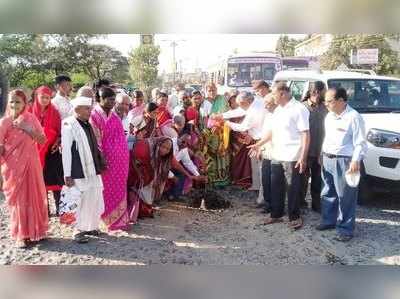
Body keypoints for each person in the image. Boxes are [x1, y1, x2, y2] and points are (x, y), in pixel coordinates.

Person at [249, 82, 310, 230]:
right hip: (277, 153)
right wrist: (259, 144)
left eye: (274, 94)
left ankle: (294, 216)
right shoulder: (278, 110)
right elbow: (272, 132)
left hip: (292, 155)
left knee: (292, 187)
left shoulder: (299, 109)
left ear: (282, 93)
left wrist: (303, 157)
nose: (272, 97)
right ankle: (276, 214)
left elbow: (305, 134)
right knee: (276, 186)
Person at [316, 87, 367, 242]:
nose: (326, 104)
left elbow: (360, 142)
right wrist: (322, 154)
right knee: (327, 192)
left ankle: (345, 229)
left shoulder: (354, 117)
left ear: (341, 100)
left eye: (329, 101)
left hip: (345, 160)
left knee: (345, 196)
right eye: (325, 101)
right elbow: (328, 138)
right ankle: (329, 221)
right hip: (328, 158)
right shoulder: (329, 116)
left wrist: (355, 161)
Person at [0, 90, 48, 248]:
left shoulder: (31, 119)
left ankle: (37, 231)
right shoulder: (4, 122)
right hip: (13, 167)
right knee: (19, 200)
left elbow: (42, 140)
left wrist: (26, 127)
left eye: (18, 102)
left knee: (33, 195)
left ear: (25, 104)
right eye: (11, 102)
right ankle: (21, 235)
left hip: (31, 163)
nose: (14, 105)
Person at [127, 137, 203, 222]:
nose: (165, 150)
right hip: (134, 170)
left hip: (149, 175)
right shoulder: (145, 148)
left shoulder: (175, 151)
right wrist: (143, 176)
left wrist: (190, 175)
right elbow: (136, 159)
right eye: (163, 147)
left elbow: (178, 164)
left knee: (150, 190)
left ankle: (142, 209)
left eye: (167, 149)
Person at [61, 97, 105, 244]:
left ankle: (91, 226)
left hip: (92, 168)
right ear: (77, 109)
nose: (89, 111)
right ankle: (77, 230)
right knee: (80, 200)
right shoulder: (69, 124)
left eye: (90, 108)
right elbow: (66, 151)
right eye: (86, 109)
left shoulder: (87, 123)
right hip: (78, 170)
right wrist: (67, 174)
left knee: (94, 196)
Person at [90, 87, 130, 231]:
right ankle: (105, 220)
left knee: (119, 188)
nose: (113, 102)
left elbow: (121, 138)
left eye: (114, 99)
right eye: (110, 99)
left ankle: (118, 220)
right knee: (104, 189)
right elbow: (96, 140)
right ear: (100, 99)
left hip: (120, 162)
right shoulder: (94, 116)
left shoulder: (114, 117)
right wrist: (101, 158)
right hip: (104, 160)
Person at [29, 86, 64, 216]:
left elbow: (60, 131)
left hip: (51, 150)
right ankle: (44, 210)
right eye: (42, 97)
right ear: (37, 97)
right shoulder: (29, 111)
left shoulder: (54, 112)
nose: (44, 100)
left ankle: (60, 208)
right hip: (34, 151)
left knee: (55, 180)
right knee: (39, 181)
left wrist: (57, 141)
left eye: (47, 97)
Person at [221, 91, 267, 191]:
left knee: (261, 167)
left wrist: (227, 123)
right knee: (254, 164)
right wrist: (222, 115)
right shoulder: (254, 103)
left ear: (246, 102)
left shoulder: (254, 110)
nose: (240, 107)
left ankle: (263, 193)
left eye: (241, 105)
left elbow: (242, 127)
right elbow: (239, 111)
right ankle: (256, 186)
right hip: (255, 138)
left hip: (261, 140)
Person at [301, 81, 328, 212]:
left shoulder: (325, 108)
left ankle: (317, 205)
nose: (326, 92)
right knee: (302, 181)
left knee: (317, 181)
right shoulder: (302, 108)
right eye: (324, 90)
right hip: (305, 152)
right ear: (317, 91)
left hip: (320, 152)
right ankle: (300, 204)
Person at [203, 83, 230, 187]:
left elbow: (227, 115)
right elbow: (203, 117)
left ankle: (222, 179)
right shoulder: (204, 101)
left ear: (216, 89)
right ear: (206, 91)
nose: (211, 92)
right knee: (209, 155)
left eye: (213, 90)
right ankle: (211, 178)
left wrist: (218, 125)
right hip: (208, 133)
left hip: (221, 132)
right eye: (209, 90)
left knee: (221, 154)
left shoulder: (222, 99)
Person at [259, 93, 278, 214]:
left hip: (276, 152)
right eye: (264, 104)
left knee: (274, 181)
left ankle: (275, 206)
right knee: (265, 179)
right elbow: (264, 133)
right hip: (266, 151)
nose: (265, 106)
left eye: (268, 104)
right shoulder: (267, 115)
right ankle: (268, 204)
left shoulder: (279, 115)